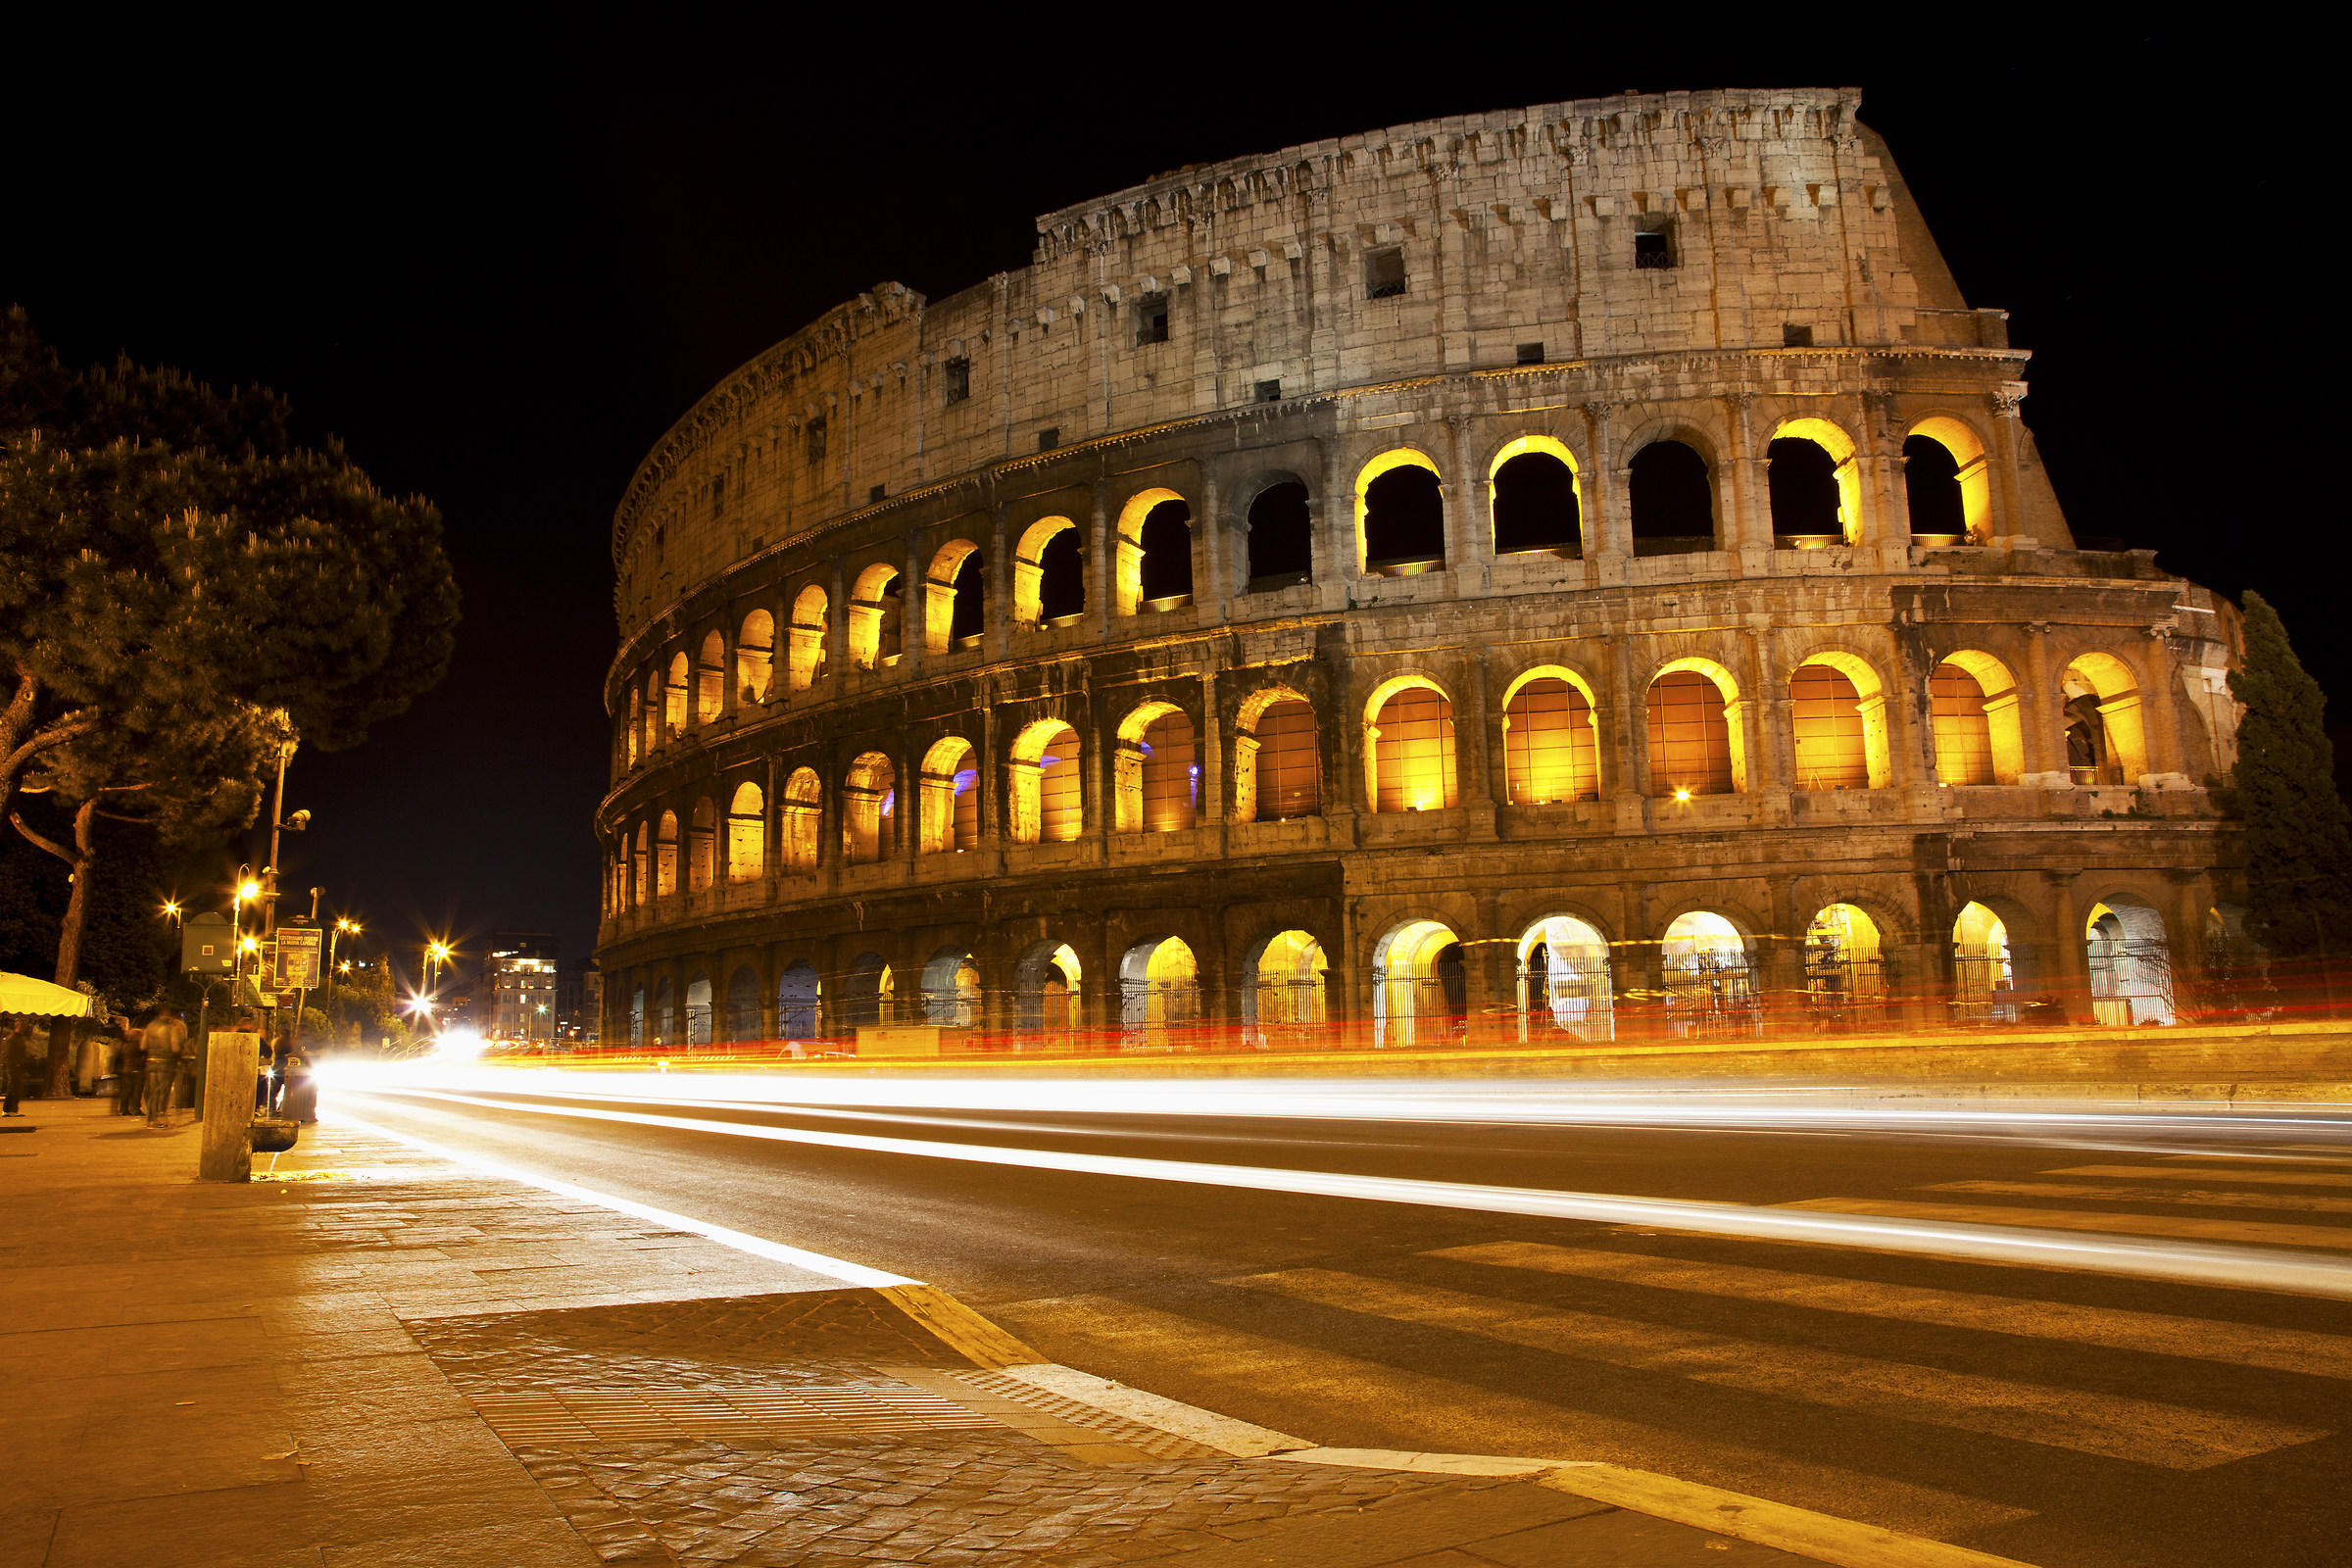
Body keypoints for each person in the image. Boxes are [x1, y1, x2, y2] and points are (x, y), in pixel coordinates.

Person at [141, 1009, 189, 1127]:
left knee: (153, 1091)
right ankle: (162, 1116)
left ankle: (151, 1119)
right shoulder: (170, 1029)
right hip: (166, 1062)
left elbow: (143, 1045)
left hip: (152, 1061)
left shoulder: (149, 1027)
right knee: (163, 1091)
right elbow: (175, 1048)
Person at [2, 1017, 34, 1117]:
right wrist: (14, 1065)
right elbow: (8, 1054)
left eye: (24, 1025)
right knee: (13, 1088)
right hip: (14, 1067)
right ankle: (8, 1109)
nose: (23, 1027)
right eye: (21, 1025)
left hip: (18, 1066)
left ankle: (13, 1109)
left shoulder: (19, 1038)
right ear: (16, 1025)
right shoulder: (11, 1039)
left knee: (17, 1088)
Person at [112, 1017, 144, 1115]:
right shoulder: (138, 1045)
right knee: (137, 1091)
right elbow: (144, 1056)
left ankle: (124, 1109)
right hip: (136, 1070)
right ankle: (136, 1109)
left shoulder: (126, 1046)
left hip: (126, 1070)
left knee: (126, 1091)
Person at [279, 1046, 318, 1123]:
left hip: (298, 1076)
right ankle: (305, 1115)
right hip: (301, 1077)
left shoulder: (290, 1065)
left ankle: (289, 1114)